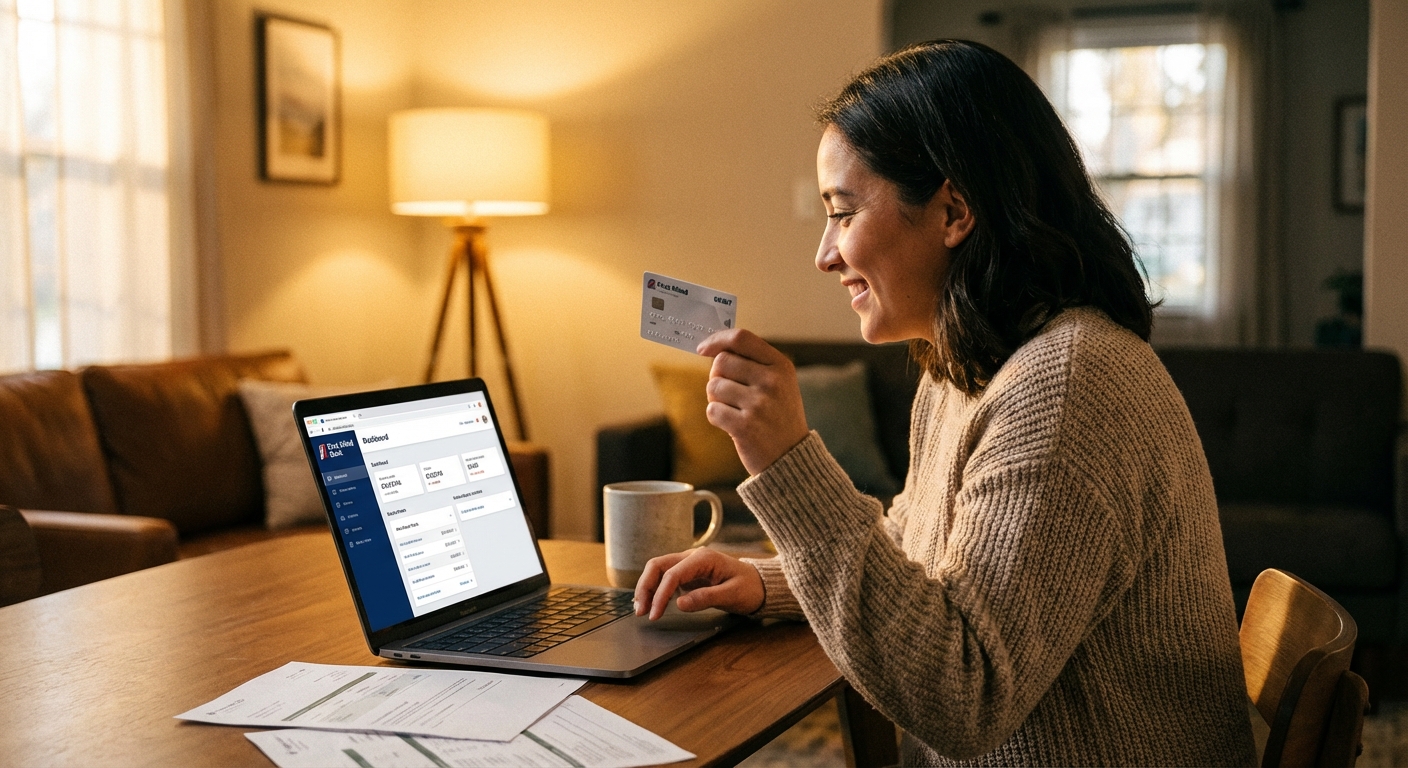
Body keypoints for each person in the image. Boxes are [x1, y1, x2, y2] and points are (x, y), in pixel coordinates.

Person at [632, 40, 1257, 766]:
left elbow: (963, 694)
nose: (824, 254)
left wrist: (788, 463)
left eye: (842, 212)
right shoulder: (967, 364)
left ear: (953, 211)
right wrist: (767, 581)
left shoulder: (1065, 386)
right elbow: (921, 553)